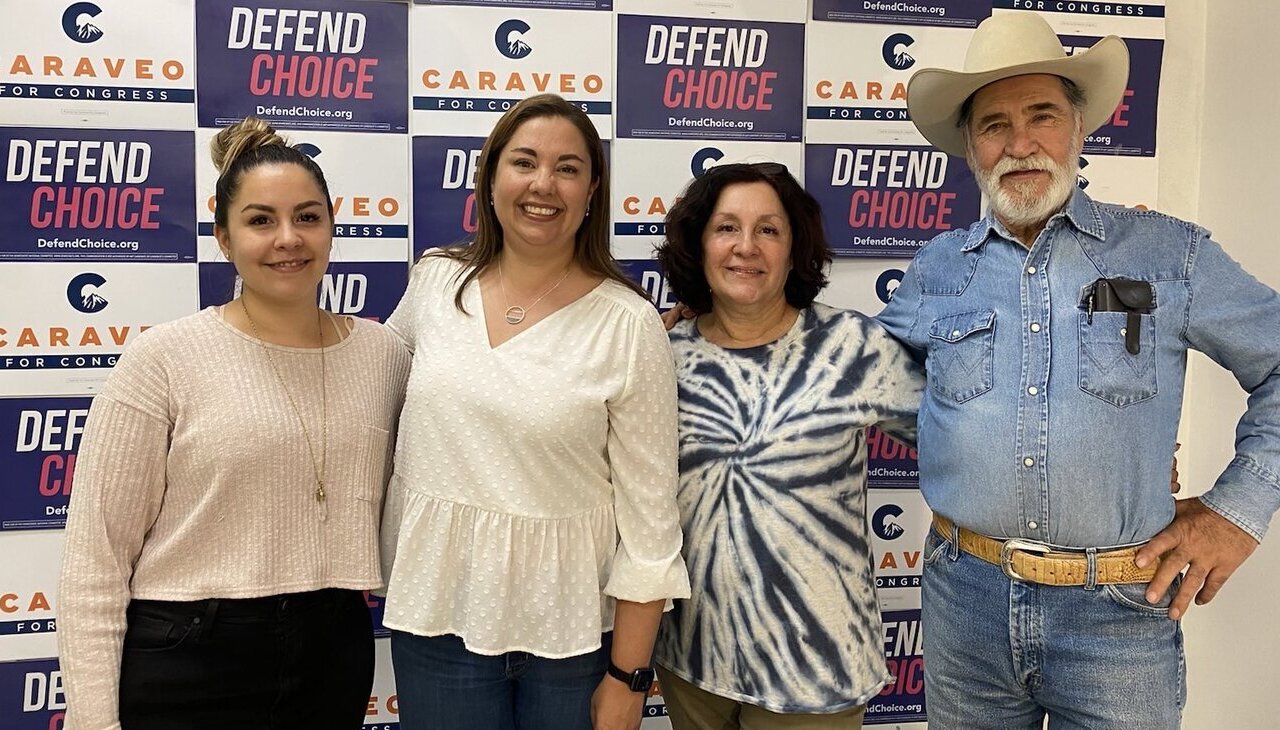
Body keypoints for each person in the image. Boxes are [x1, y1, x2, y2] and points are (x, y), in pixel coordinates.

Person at [877, 12, 1280, 728]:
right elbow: (867, 385)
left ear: (1079, 127)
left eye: (1042, 115)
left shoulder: (1168, 256)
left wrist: (1236, 514)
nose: (1021, 143)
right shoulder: (937, 270)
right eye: (995, 124)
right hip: (963, 604)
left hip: (1119, 616)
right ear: (971, 147)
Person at [57, 117, 411, 729]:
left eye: (307, 217)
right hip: (188, 653)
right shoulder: (162, 359)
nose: (288, 239)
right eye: (259, 220)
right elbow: (96, 560)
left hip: (333, 648)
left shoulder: (384, 356)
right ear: (223, 237)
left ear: (332, 227)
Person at [379, 93, 690, 730]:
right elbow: (368, 403)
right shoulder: (436, 283)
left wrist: (630, 678)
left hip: (571, 641)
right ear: (491, 177)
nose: (543, 184)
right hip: (439, 622)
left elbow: (650, 525)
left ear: (592, 189)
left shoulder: (628, 325)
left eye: (568, 168)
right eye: (524, 162)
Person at [651, 162, 924, 729]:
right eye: (726, 228)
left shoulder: (854, 347)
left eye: (768, 230)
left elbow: (969, 443)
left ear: (794, 248)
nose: (745, 247)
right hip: (691, 665)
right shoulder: (661, 353)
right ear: (698, 244)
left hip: (816, 673)